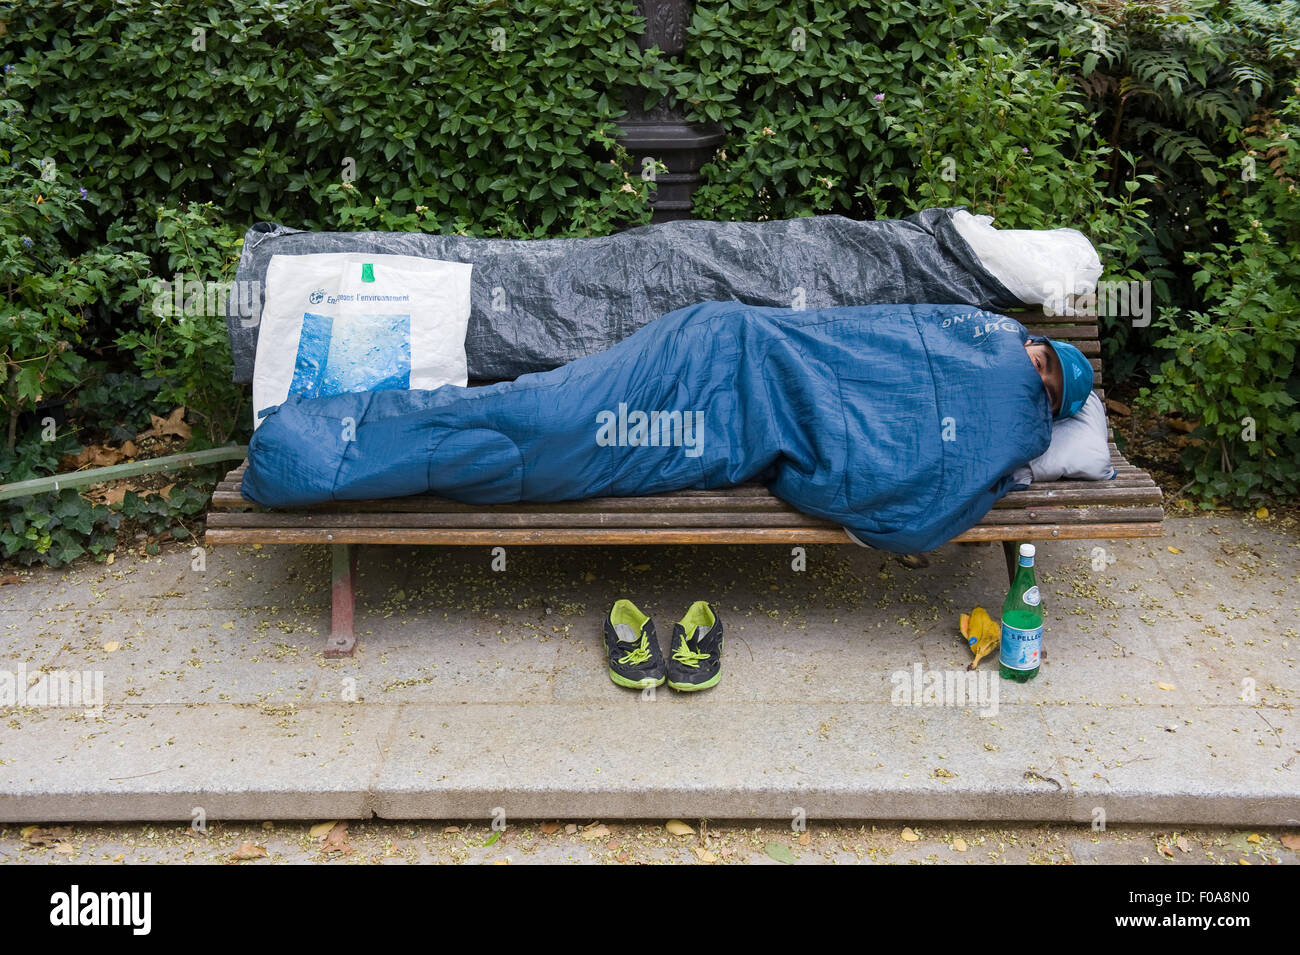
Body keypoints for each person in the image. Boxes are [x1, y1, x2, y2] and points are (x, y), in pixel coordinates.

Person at [244, 301, 1095, 553]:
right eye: (1039, 352)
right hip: (722, 348)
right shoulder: (977, 336)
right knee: (545, 416)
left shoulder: (1002, 402)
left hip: (723, 411)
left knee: (549, 440)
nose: (1030, 362)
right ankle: (317, 445)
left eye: (1045, 374)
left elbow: (906, 492)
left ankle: (316, 449)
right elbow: (877, 349)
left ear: (1047, 395)